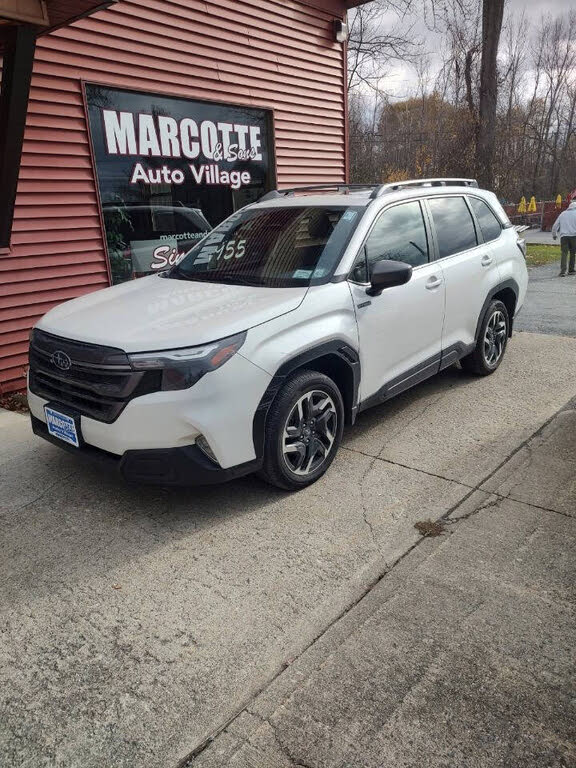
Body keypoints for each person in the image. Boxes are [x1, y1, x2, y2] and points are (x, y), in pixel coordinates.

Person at [552, 200, 576, 276]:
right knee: (573, 253)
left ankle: (563, 271)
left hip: (564, 237)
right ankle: (571, 270)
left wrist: (554, 234)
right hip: (574, 236)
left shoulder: (562, 214)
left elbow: (555, 225)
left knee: (564, 253)